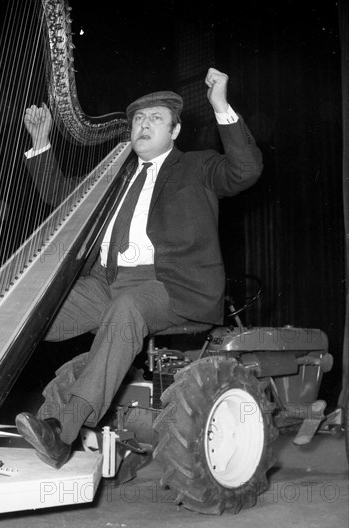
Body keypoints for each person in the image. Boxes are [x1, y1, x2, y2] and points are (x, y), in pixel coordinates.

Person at [15, 67, 263, 469]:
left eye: (156, 119)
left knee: (127, 307)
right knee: (31, 309)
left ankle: (63, 431)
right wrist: (41, 144)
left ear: (175, 131)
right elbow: (61, 195)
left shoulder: (198, 167)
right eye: (138, 120)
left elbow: (245, 170)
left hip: (171, 286)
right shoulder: (114, 176)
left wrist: (220, 105)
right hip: (107, 283)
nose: (144, 125)